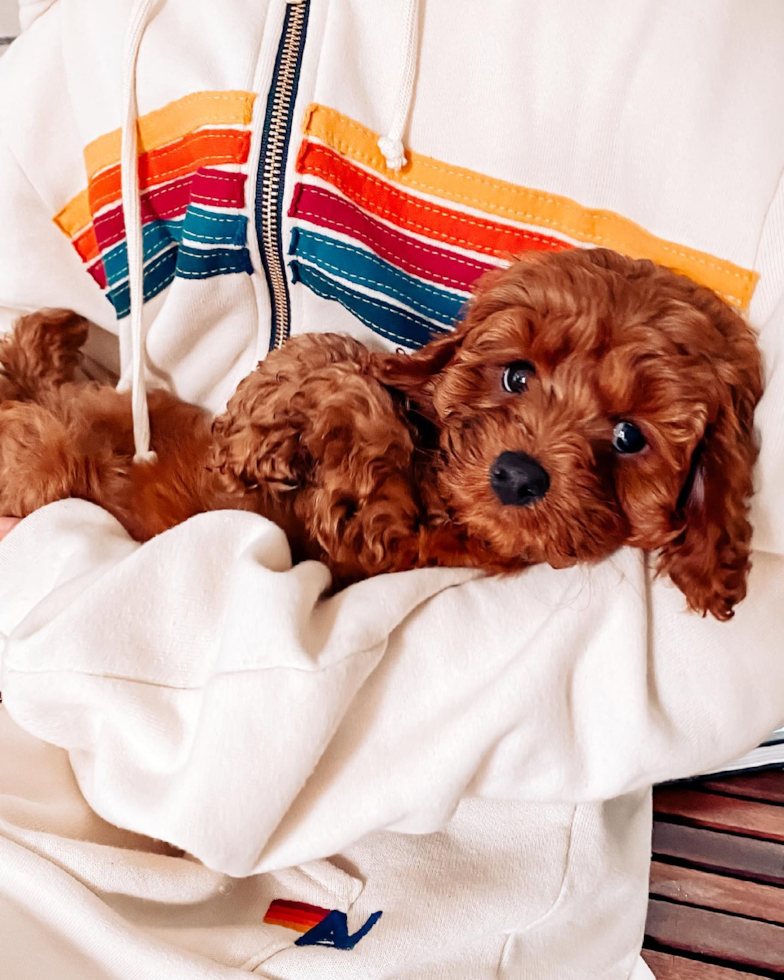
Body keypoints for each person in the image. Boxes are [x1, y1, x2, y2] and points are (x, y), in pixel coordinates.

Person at [0, 1, 783, 977]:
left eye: (619, 433)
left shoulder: (743, 73)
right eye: (516, 379)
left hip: (463, 826)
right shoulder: (119, 26)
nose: (532, 446)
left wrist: (178, 682)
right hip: (55, 646)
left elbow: (748, 611)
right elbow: (25, 265)